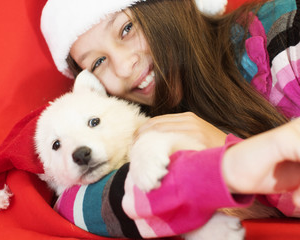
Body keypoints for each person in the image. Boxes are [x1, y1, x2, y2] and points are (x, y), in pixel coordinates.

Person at [40, 0, 300, 238]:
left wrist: (227, 151)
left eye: (127, 28)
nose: (123, 66)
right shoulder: (151, 129)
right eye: (98, 62)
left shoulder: (287, 37)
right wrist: (226, 166)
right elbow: (76, 203)